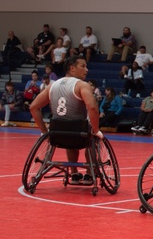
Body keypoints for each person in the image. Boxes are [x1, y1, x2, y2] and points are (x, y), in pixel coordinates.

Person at [28, 55, 103, 183]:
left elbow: (33, 107)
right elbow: (92, 107)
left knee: (70, 133)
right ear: (72, 68)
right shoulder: (82, 85)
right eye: (83, 66)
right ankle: (89, 173)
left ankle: (74, 174)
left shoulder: (52, 86)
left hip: (57, 134)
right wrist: (96, 130)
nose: (87, 70)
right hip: (79, 133)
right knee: (92, 136)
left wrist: (44, 131)